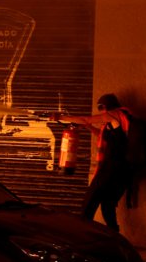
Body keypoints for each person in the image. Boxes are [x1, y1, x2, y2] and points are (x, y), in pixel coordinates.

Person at [53, 93, 133, 232]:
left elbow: (85, 119)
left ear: (104, 107)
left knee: (90, 201)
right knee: (107, 204)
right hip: (123, 169)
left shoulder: (113, 115)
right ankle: (114, 237)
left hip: (110, 167)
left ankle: (82, 234)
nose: (100, 112)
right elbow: (105, 137)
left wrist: (60, 117)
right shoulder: (122, 118)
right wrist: (87, 127)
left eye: (100, 108)